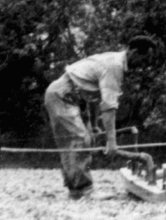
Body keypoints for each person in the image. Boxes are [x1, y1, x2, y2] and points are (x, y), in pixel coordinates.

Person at [43, 35, 158, 199]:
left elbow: (94, 95)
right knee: (79, 140)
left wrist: (94, 123)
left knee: (86, 139)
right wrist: (112, 143)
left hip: (75, 97)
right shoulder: (114, 66)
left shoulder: (116, 62)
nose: (144, 64)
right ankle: (83, 190)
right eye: (144, 58)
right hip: (61, 94)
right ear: (133, 52)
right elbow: (109, 107)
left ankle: (76, 189)